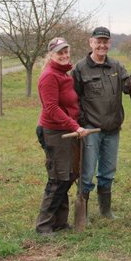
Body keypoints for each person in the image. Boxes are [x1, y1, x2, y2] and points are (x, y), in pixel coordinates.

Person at [73, 26, 131, 219]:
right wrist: (81, 123)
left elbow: (127, 86)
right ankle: (82, 214)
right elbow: (72, 98)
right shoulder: (80, 68)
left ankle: (105, 211)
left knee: (108, 171)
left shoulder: (116, 66)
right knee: (88, 171)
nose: (102, 45)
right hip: (91, 129)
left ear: (110, 44)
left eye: (105, 41)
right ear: (91, 43)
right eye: (98, 41)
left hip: (112, 128)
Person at [36, 37, 89, 234]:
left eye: (66, 51)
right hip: (54, 131)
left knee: (67, 175)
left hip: (66, 130)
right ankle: (44, 225)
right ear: (51, 54)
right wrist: (74, 125)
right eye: (60, 52)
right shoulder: (49, 76)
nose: (64, 55)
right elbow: (51, 108)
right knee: (58, 177)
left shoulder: (64, 74)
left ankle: (59, 222)